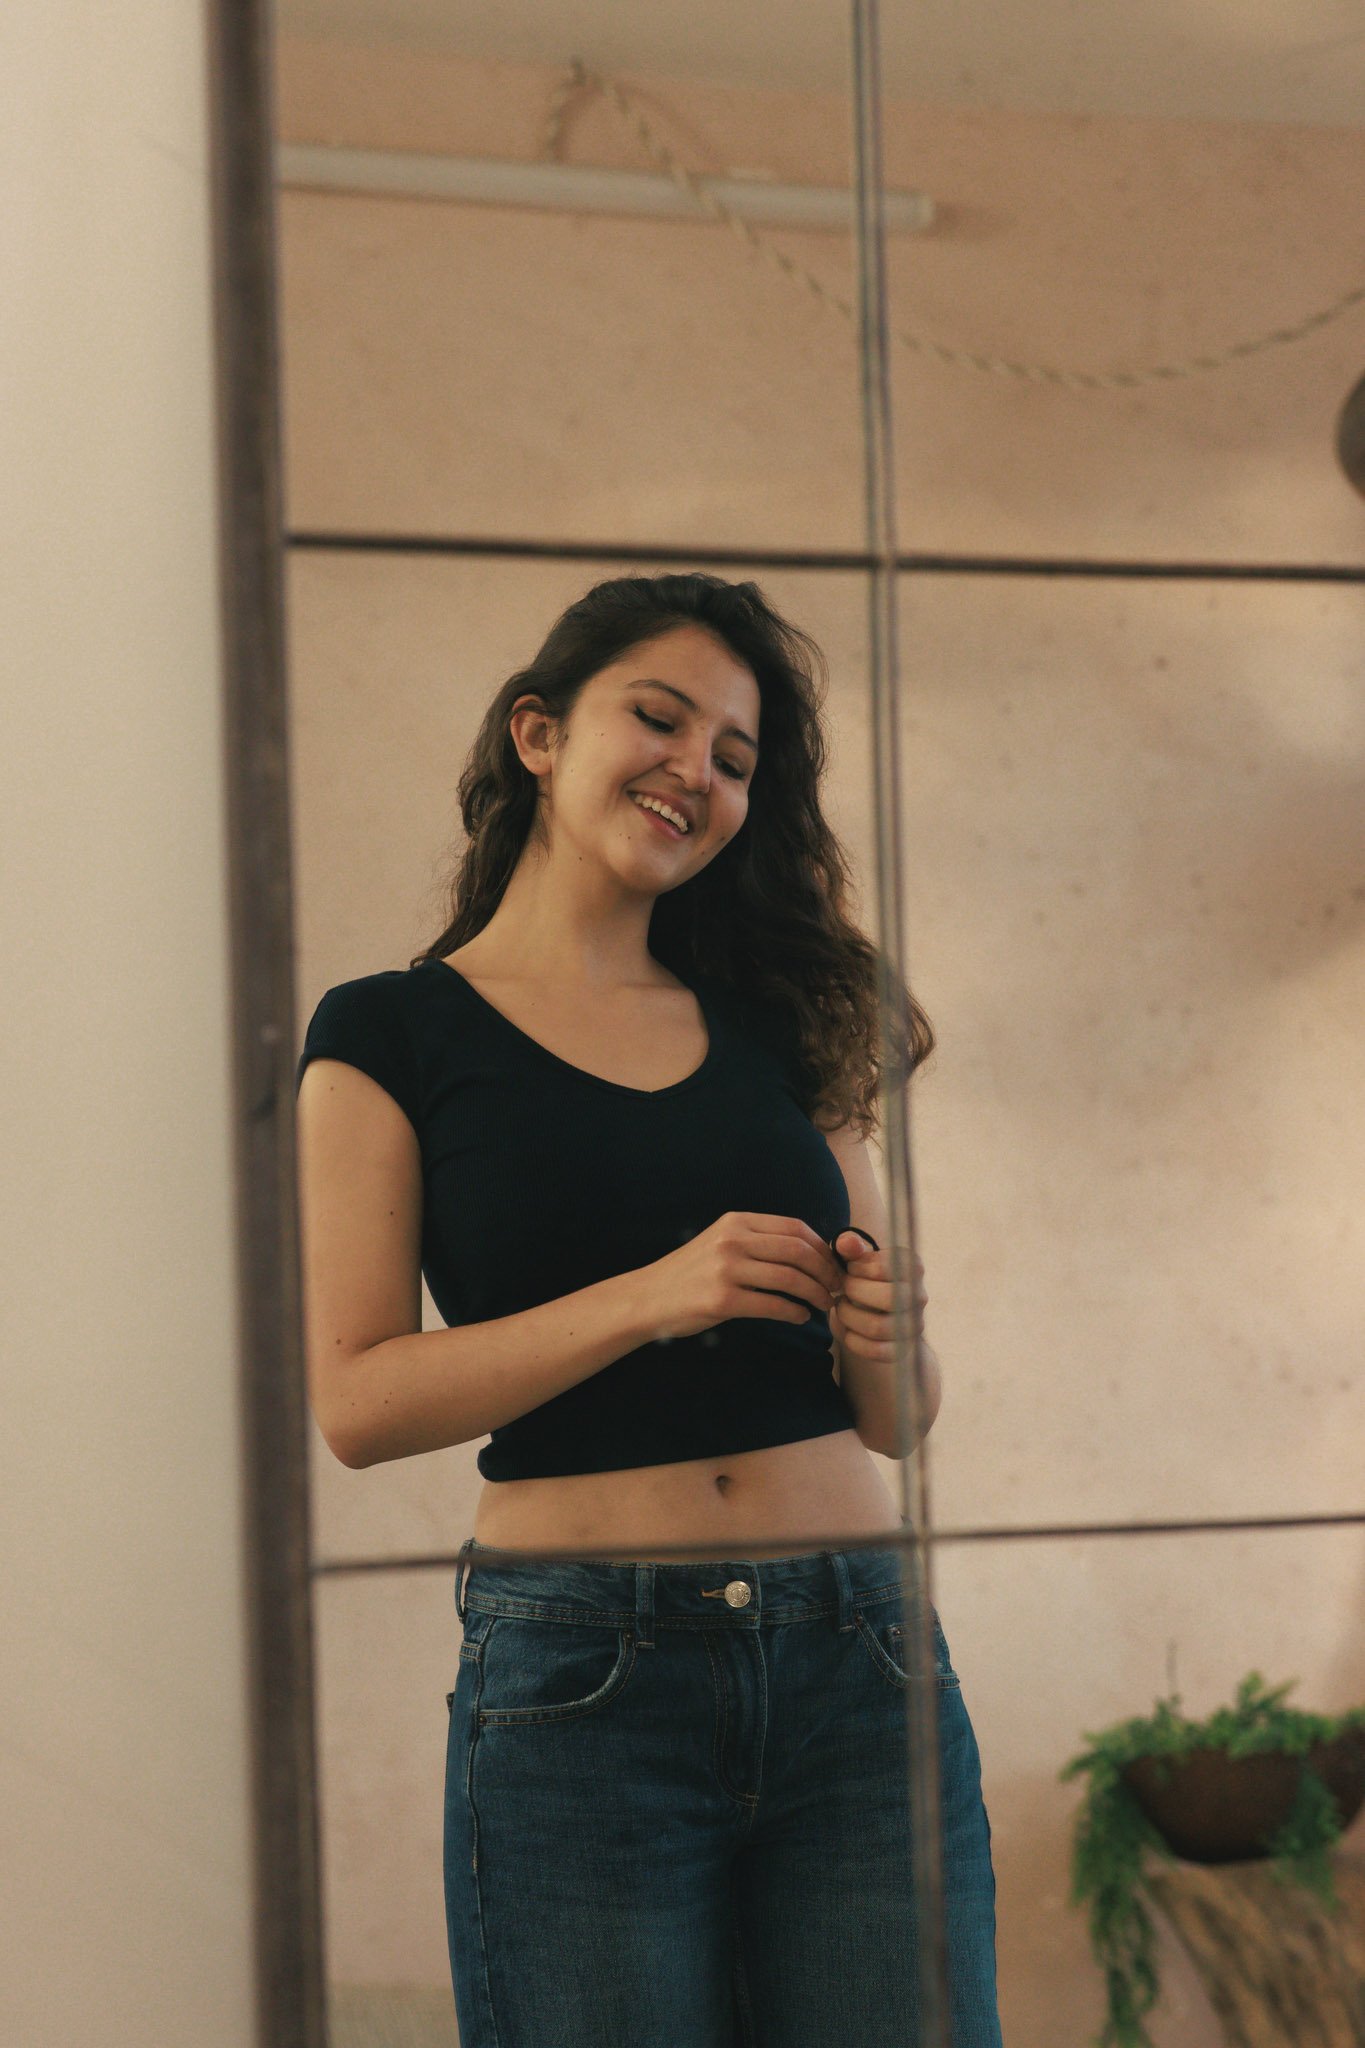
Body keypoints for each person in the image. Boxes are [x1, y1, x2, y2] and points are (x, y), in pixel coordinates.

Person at [294, 572, 1002, 2046]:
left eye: (736, 760)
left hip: (857, 1654)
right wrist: (646, 1298)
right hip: (583, 1681)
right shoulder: (390, 1031)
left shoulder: (781, 1020)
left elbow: (896, 1418)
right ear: (540, 734)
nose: (695, 771)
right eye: (660, 719)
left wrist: (891, 1343)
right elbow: (356, 1405)